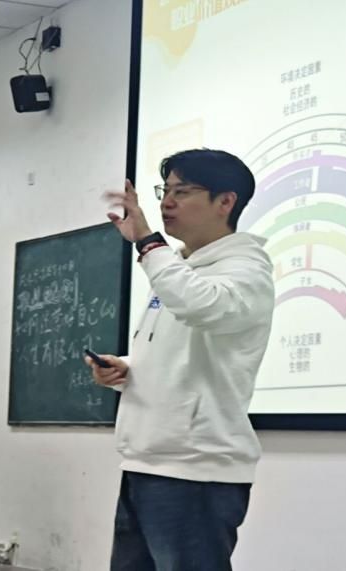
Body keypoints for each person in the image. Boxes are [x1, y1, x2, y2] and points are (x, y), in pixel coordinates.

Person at [85, 149, 275, 570]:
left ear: (225, 202)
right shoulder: (179, 269)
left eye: (183, 192)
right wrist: (128, 369)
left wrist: (149, 244)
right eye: (165, 191)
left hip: (196, 471)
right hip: (146, 462)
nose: (167, 202)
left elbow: (200, 306)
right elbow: (184, 353)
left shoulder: (246, 270)